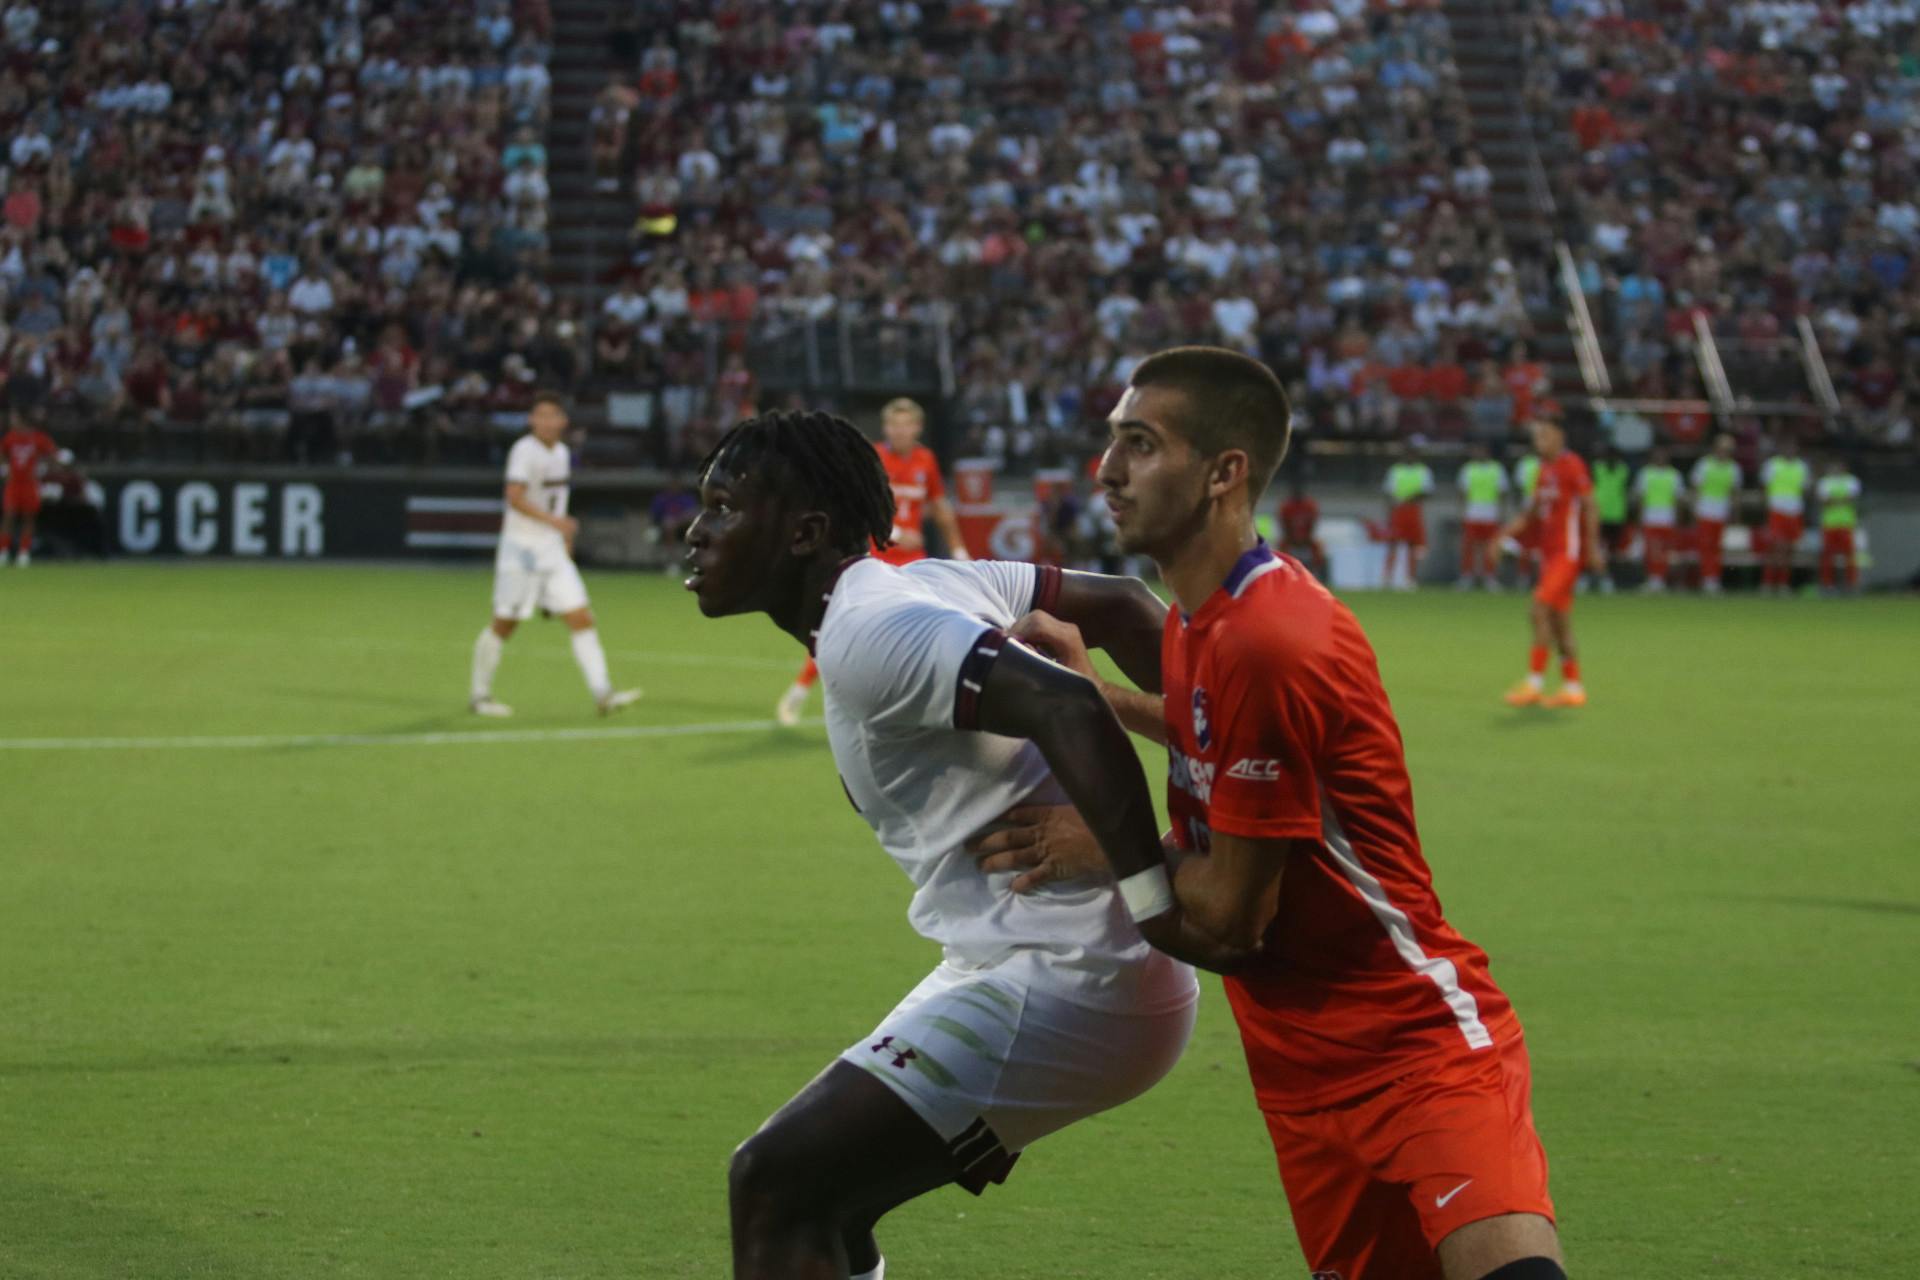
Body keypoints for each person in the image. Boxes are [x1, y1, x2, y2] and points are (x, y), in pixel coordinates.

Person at [974, 347, 1565, 1280]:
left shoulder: (1267, 641)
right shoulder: (1207, 613)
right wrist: (1091, 697)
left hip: (1412, 1043)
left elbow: (1229, 919)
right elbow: (1213, 733)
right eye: (1112, 441)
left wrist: (1108, 845)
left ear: (1224, 472)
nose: (1107, 469)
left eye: (1140, 444)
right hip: (1297, 1068)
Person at [682, 408, 1199, 1280]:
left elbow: (1066, 702)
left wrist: (1155, 885)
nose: (696, 530)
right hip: (1010, 958)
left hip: (1074, 976)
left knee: (775, 1183)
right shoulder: (923, 585)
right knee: (830, 1202)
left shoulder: (869, 630)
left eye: (724, 507)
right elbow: (1121, 603)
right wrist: (1215, 746)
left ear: (805, 533)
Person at [776, 398, 972, 726]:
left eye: (906, 424)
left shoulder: (926, 460)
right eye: (894, 425)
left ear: (918, 428)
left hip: (913, 561)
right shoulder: (873, 458)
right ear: (886, 428)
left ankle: (925, 699)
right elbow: (852, 504)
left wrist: (959, 551)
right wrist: (895, 531)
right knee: (842, 626)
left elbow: (939, 506)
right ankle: (800, 690)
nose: (900, 431)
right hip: (873, 557)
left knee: (927, 625)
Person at [469, 393, 641, 717]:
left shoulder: (561, 452)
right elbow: (514, 497)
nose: (546, 422)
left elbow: (555, 501)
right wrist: (556, 523)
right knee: (505, 623)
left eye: (553, 415)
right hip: (521, 550)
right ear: (531, 420)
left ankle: (603, 693)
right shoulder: (524, 451)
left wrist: (563, 538)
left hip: (551, 550)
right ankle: (480, 696)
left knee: (581, 617)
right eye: (540, 415)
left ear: (563, 420)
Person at [1502, 414, 1603, 708]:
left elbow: (1591, 506)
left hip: (1566, 554)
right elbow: (1531, 514)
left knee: (1538, 609)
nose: (1539, 441)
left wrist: (1592, 548)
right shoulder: (1544, 470)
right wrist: (1501, 536)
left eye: (1544, 435)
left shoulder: (1572, 465)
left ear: (1560, 436)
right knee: (1560, 623)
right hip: (1549, 555)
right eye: (1537, 436)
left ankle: (1534, 683)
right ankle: (1573, 687)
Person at [1, 413, 57, 566]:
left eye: (15, 420)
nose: (12, 423)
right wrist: (5, 468)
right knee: (9, 516)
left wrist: (43, 469)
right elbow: (2, 454)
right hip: (14, 483)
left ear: (23, 421)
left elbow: (52, 455)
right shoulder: (10, 438)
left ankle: (24, 552)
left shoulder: (38, 438)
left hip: (30, 484)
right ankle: (3, 551)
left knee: (29, 517)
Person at [1689, 434, 1742, 593]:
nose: (1724, 452)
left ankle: (1713, 578)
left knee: (1716, 548)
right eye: (1722, 449)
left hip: (1721, 512)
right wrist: (1694, 508)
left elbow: (1734, 493)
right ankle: (1707, 578)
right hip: (1705, 511)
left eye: (1727, 450)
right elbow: (1696, 489)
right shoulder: (1704, 465)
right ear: (1715, 449)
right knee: (1705, 546)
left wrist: (1735, 513)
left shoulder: (1734, 468)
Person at [1759, 435, 1811, 596]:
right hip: (1778, 510)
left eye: (1792, 447)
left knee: (1789, 549)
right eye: (1786, 447)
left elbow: (1805, 489)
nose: (1789, 450)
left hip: (1794, 512)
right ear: (1781, 448)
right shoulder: (1772, 465)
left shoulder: (1801, 467)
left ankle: (1783, 583)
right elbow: (1765, 488)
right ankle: (1768, 582)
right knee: (1776, 547)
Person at [1456, 442, 1509, 590]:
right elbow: (1462, 493)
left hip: (1491, 513)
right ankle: (1467, 576)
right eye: (1477, 451)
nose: (1479, 454)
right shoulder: (1468, 469)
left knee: (1491, 547)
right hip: (1472, 512)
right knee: (1469, 547)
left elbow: (1502, 493)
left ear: (1488, 452)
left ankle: (1490, 577)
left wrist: (1502, 513)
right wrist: (1461, 513)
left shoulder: (1497, 469)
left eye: (1482, 451)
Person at [1632, 446, 1686, 592]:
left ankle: (1659, 578)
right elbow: (1641, 498)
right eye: (1658, 455)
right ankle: (1652, 578)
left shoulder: (1674, 475)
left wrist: (1678, 519)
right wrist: (1639, 518)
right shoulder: (1645, 473)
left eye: (1663, 455)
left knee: (1664, 550)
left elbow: (1678, 500)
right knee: (1651, 550)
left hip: (1667, 518)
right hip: (1650, 517)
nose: (1660, 458)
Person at [1381, 442, 1434, 590]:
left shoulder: (1423, 471)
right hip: (1398, 510)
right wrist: (1390, 511)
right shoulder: (1395, 470)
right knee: (1393, 544)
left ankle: (1410, 578)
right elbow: (1388, 492)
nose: (1410, 456)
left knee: (1413, 546)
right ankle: (1387, 577)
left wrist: (1411, 497)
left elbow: (1427, 491)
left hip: (1414, 510)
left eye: (1413, 453)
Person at [1816, 457, 1862, 596]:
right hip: (1829, 524)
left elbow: (1851, 498)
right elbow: (1824, 501)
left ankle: (1851, 584)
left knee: (1849, 555)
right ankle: (1827, 585)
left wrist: (1834, 500)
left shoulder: (1851, 481)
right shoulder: (1825, 482)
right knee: (1828, 556)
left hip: (1846, 523)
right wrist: (1841, 500)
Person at [1590, 444, 1631, 593]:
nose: (1611, 459)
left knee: (1613, 551)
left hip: (1616, 515)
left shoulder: (1623, 470)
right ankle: (1595, 577)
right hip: (1599, 514)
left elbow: (1625, 491)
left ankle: (1608, 579)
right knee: (1597, 548)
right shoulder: (1597, 468)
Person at [1278, 476, 1326, 580]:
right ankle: (1282, 574)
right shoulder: (1286, 506)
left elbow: (1313, 524)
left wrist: (1305, 538)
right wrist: (1292, 538)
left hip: (1306, 538)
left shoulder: (1310, 505)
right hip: (1291, 538)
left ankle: (1319, 575)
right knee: (1279, 550)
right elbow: (1283, 524)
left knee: (1319, 548)